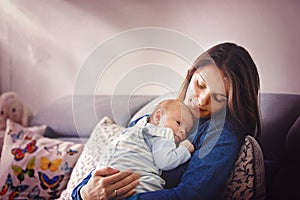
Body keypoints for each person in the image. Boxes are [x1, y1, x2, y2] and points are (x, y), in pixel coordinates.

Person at [72, 42, 261, 200]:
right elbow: (107, 165)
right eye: (200, 84)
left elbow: (189, 196)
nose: (202, 100)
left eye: (218, 97)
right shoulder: (155, 117)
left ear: (230, 103)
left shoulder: (219, 136)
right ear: (190, 75)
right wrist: (83, 193)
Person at [95, 99, 194, 194]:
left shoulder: (140, 126)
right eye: (179, 123)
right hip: (134, 184)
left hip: (107, 175)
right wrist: (184, 149)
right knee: (152, 185)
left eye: (186, 131)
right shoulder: (162, 134)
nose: (183, 132)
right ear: (158, 117)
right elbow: (165, 162)